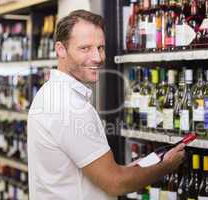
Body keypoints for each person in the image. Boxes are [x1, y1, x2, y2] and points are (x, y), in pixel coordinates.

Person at [27, 9, 185, 200]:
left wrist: (145, 164)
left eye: (100, 48)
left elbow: (100, 173)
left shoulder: (49, 93)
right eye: (85, 48)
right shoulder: (70, 106)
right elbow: (115, 183)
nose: (97, 57)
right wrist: (166, 166)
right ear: (61, 49)